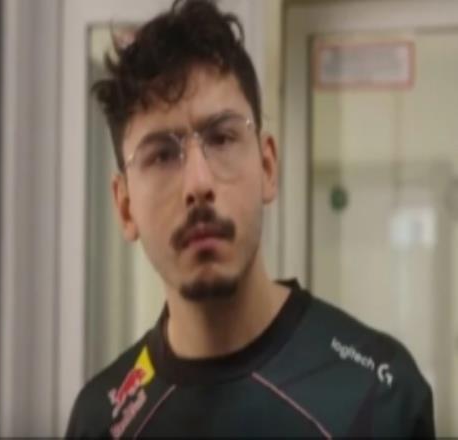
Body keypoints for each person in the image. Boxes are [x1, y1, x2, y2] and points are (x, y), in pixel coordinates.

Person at [65, 0, 435, 437]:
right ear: (125, 206)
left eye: (221, 138)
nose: (198, 183)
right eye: (162, 155)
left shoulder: (380, 396)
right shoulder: (98, 420)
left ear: (267, 167)